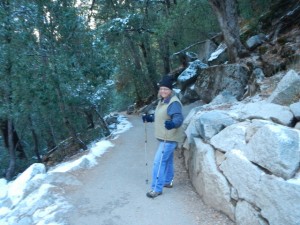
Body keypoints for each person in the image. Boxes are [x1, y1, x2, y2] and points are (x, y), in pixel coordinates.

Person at [142, 75, 184, 198]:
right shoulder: (163, 101)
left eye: (166, 89)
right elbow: (162, 116)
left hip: (169, 138)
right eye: (161, 89)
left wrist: (172, 124)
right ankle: (167, 181)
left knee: (158, 162)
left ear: (170, 90)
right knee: (168, 160)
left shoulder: (173, 102)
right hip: (165, 137)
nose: (163, 91)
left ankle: (156, 188)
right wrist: (150, 118)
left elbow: (178, 119)